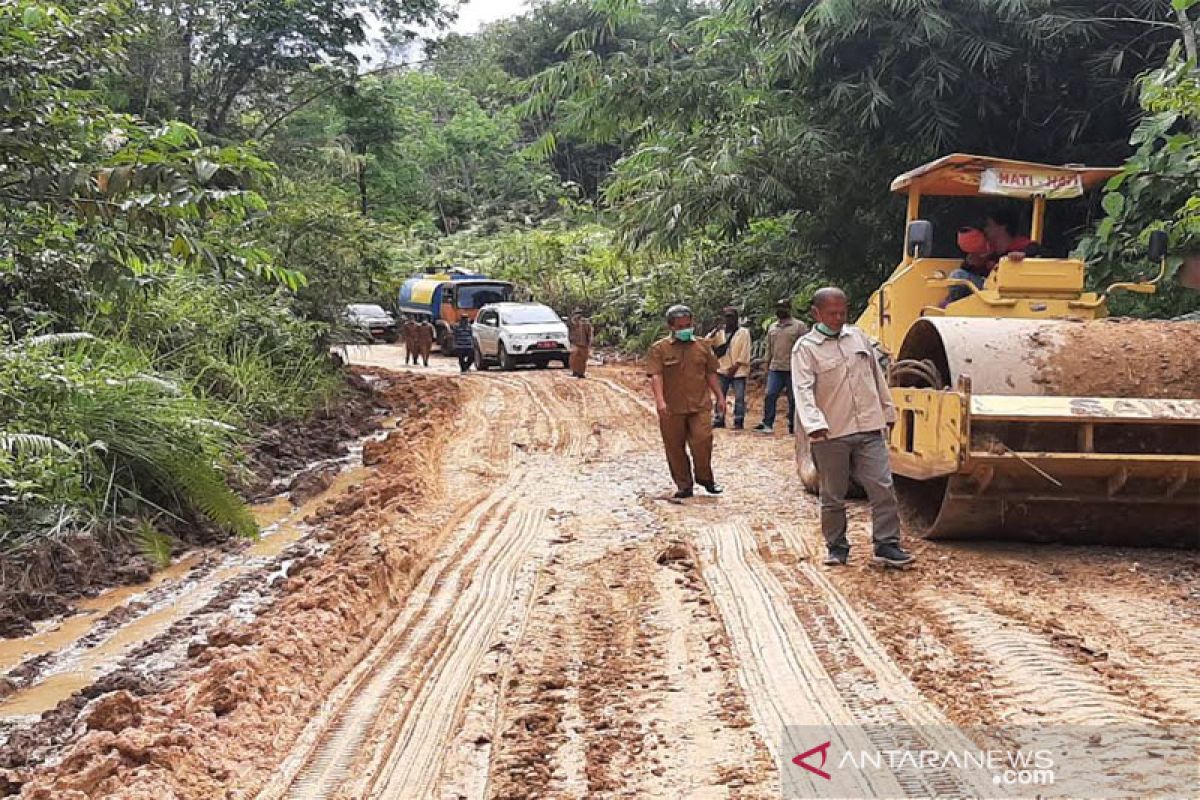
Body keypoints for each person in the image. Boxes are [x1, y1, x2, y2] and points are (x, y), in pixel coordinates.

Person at [793, 287, 915, 569]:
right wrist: (814, 424)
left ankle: (887, 545)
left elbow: (876, 377)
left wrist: (887, 410)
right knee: (833, 495)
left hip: (869, 428)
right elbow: (803, 390)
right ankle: (837, 547)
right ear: (816, 313)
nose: (837, 318)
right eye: (831, 313)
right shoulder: (806, 349)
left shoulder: (858, 338)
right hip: (831, 432)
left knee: (882, 486)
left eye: (842, 313)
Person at [647, 305, 725, 500]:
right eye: (680, 326)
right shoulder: (660, 349)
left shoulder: (703, 346)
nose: (685, 329)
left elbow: (710, 373)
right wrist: (660, 401)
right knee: (674, 447)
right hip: (672, 408)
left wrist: (720, 397)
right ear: (670, 327)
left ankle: (705, 479)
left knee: (703, 440)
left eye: (688, 325)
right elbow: (656, 375)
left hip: (699, 405)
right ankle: (684, 485)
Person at [945, 209, 1038, 304]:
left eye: (989, 225)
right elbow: (977, 273)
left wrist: (1024, 255)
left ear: (1002, 226)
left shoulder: (1022, 245)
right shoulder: (988, 250)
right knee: (958, 275)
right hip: (987, 291)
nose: (985, 230)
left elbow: (1039, 251)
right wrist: (969, 263)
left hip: (1013, 292)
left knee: (958, 275)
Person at [754, 299, 807, 434]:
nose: (780, 310)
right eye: (778, 308)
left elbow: (806, 348)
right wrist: (766, 366)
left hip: (793, 368)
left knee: (793, 399)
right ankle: (767, 423)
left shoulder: (799, 327)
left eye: (783, 308)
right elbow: (769, 349)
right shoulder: (772, 327)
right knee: (770, 395)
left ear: (789, 309)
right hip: (775, 368)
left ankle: (793, 426)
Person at [707, 306, 751, 430]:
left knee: (739, 397)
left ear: (736, 318)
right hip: (722, 369)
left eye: (731, 317)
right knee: (720, 395)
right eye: (727, 317)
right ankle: (719, 418)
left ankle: (738, 420)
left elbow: (745, 351)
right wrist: (714, 331)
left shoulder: (743, 332)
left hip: (739, 370)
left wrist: (736, 366)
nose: (729, 320)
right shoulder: (720, 333)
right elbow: (706, 344)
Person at [568, 308, 594, 378]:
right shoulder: (571, 322)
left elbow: (590, 333)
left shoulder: (586, 323)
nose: (577, 315)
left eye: (579, 313)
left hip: (584, 344)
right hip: (575, 343)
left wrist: (590, 342)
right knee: (574, 358)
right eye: (576, 313)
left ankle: (581, 373)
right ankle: (575, 371)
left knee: (583, 359)